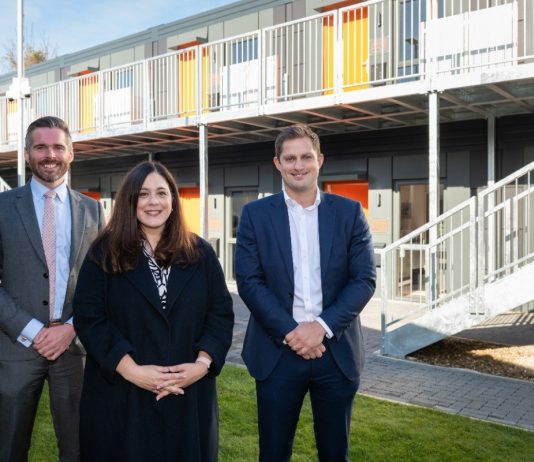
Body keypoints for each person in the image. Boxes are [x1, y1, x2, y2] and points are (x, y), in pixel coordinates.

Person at [72, 160, 234, 462]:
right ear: (130, 200)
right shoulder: (103, 252)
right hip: (122, 393)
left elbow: (220, 314)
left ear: (173, 200)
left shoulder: (200, 252)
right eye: (144, 194)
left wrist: (202, 364)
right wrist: (131, 371)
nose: (153, 202)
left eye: (161, 193)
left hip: (188, 394)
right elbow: (89, 318)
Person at [235, 124, 376, 462]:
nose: (298, 165)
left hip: (335, 351)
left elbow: (363, 279)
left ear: (320, 160)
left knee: (335, 454)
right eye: (290, 158)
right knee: (273, 454)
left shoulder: (350, 212)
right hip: (277, 352)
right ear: (278, 163)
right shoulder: (255, 215)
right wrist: (292, 332)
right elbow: (249, 281)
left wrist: (320, 328)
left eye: (306, 157)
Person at [0, 116, 105, 462]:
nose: (50, 155)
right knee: (8, 447)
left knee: (79, 448)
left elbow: (101, 282)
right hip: (15, 348)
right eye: (41, 147)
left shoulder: (92, 210)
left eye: (58, 147)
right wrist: (32, 330)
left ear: (71, 153)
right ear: (27, 153)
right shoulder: (2, 207)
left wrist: (72, 328)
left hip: (74, 350)